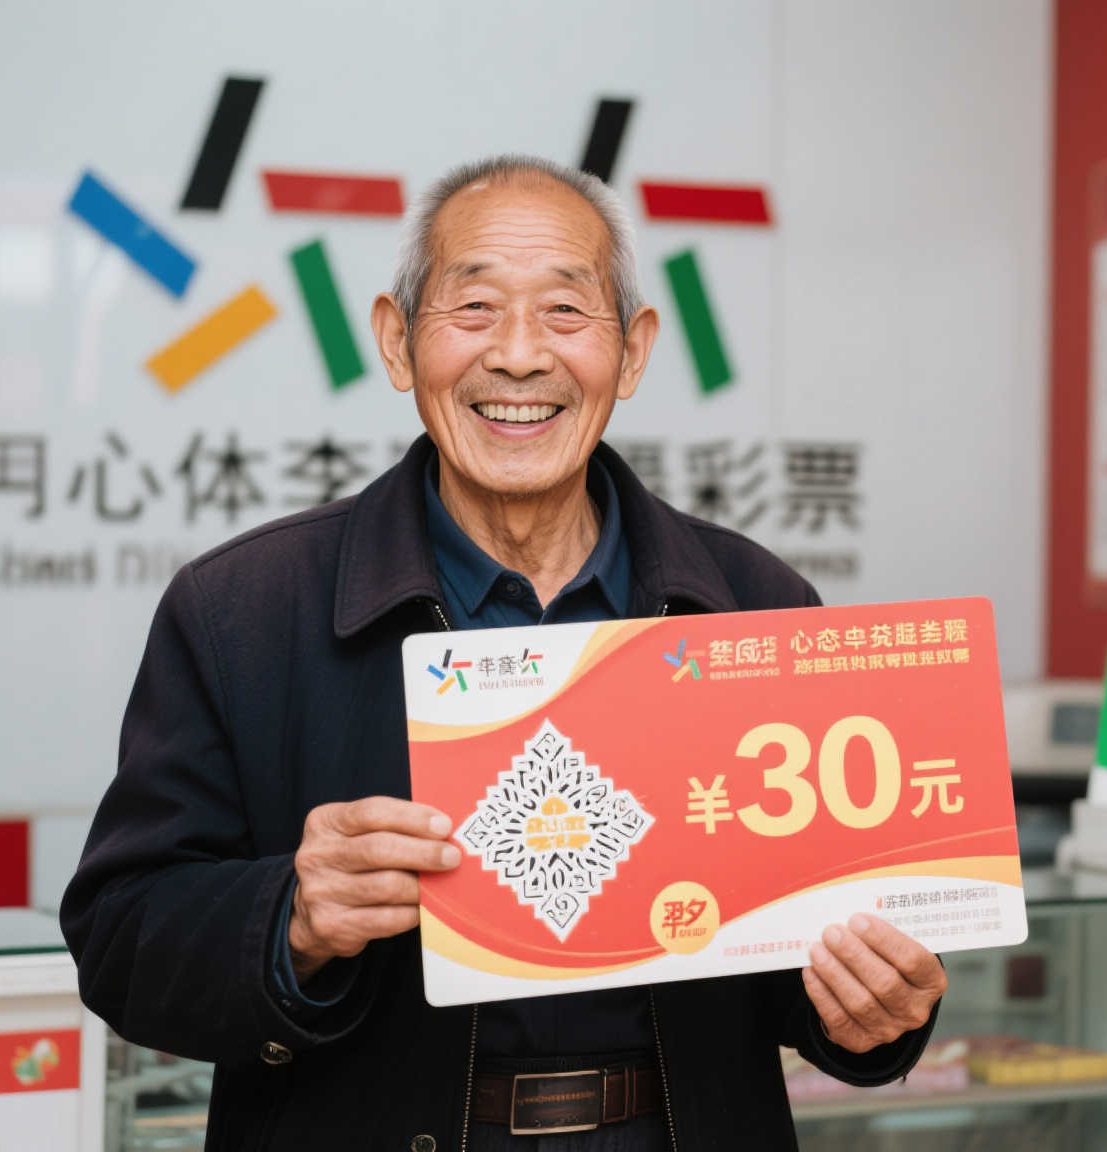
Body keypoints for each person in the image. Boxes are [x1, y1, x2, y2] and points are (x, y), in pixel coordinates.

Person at [62, 155, 945, 1150]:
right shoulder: (241, 612)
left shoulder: (753, 608)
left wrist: (873, 1007)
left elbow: (811, 960)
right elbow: (119, 937)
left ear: (633, 351)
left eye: (565, 311)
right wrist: (292, 918)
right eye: (474, 307)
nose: (520, 357)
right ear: (397, 340)